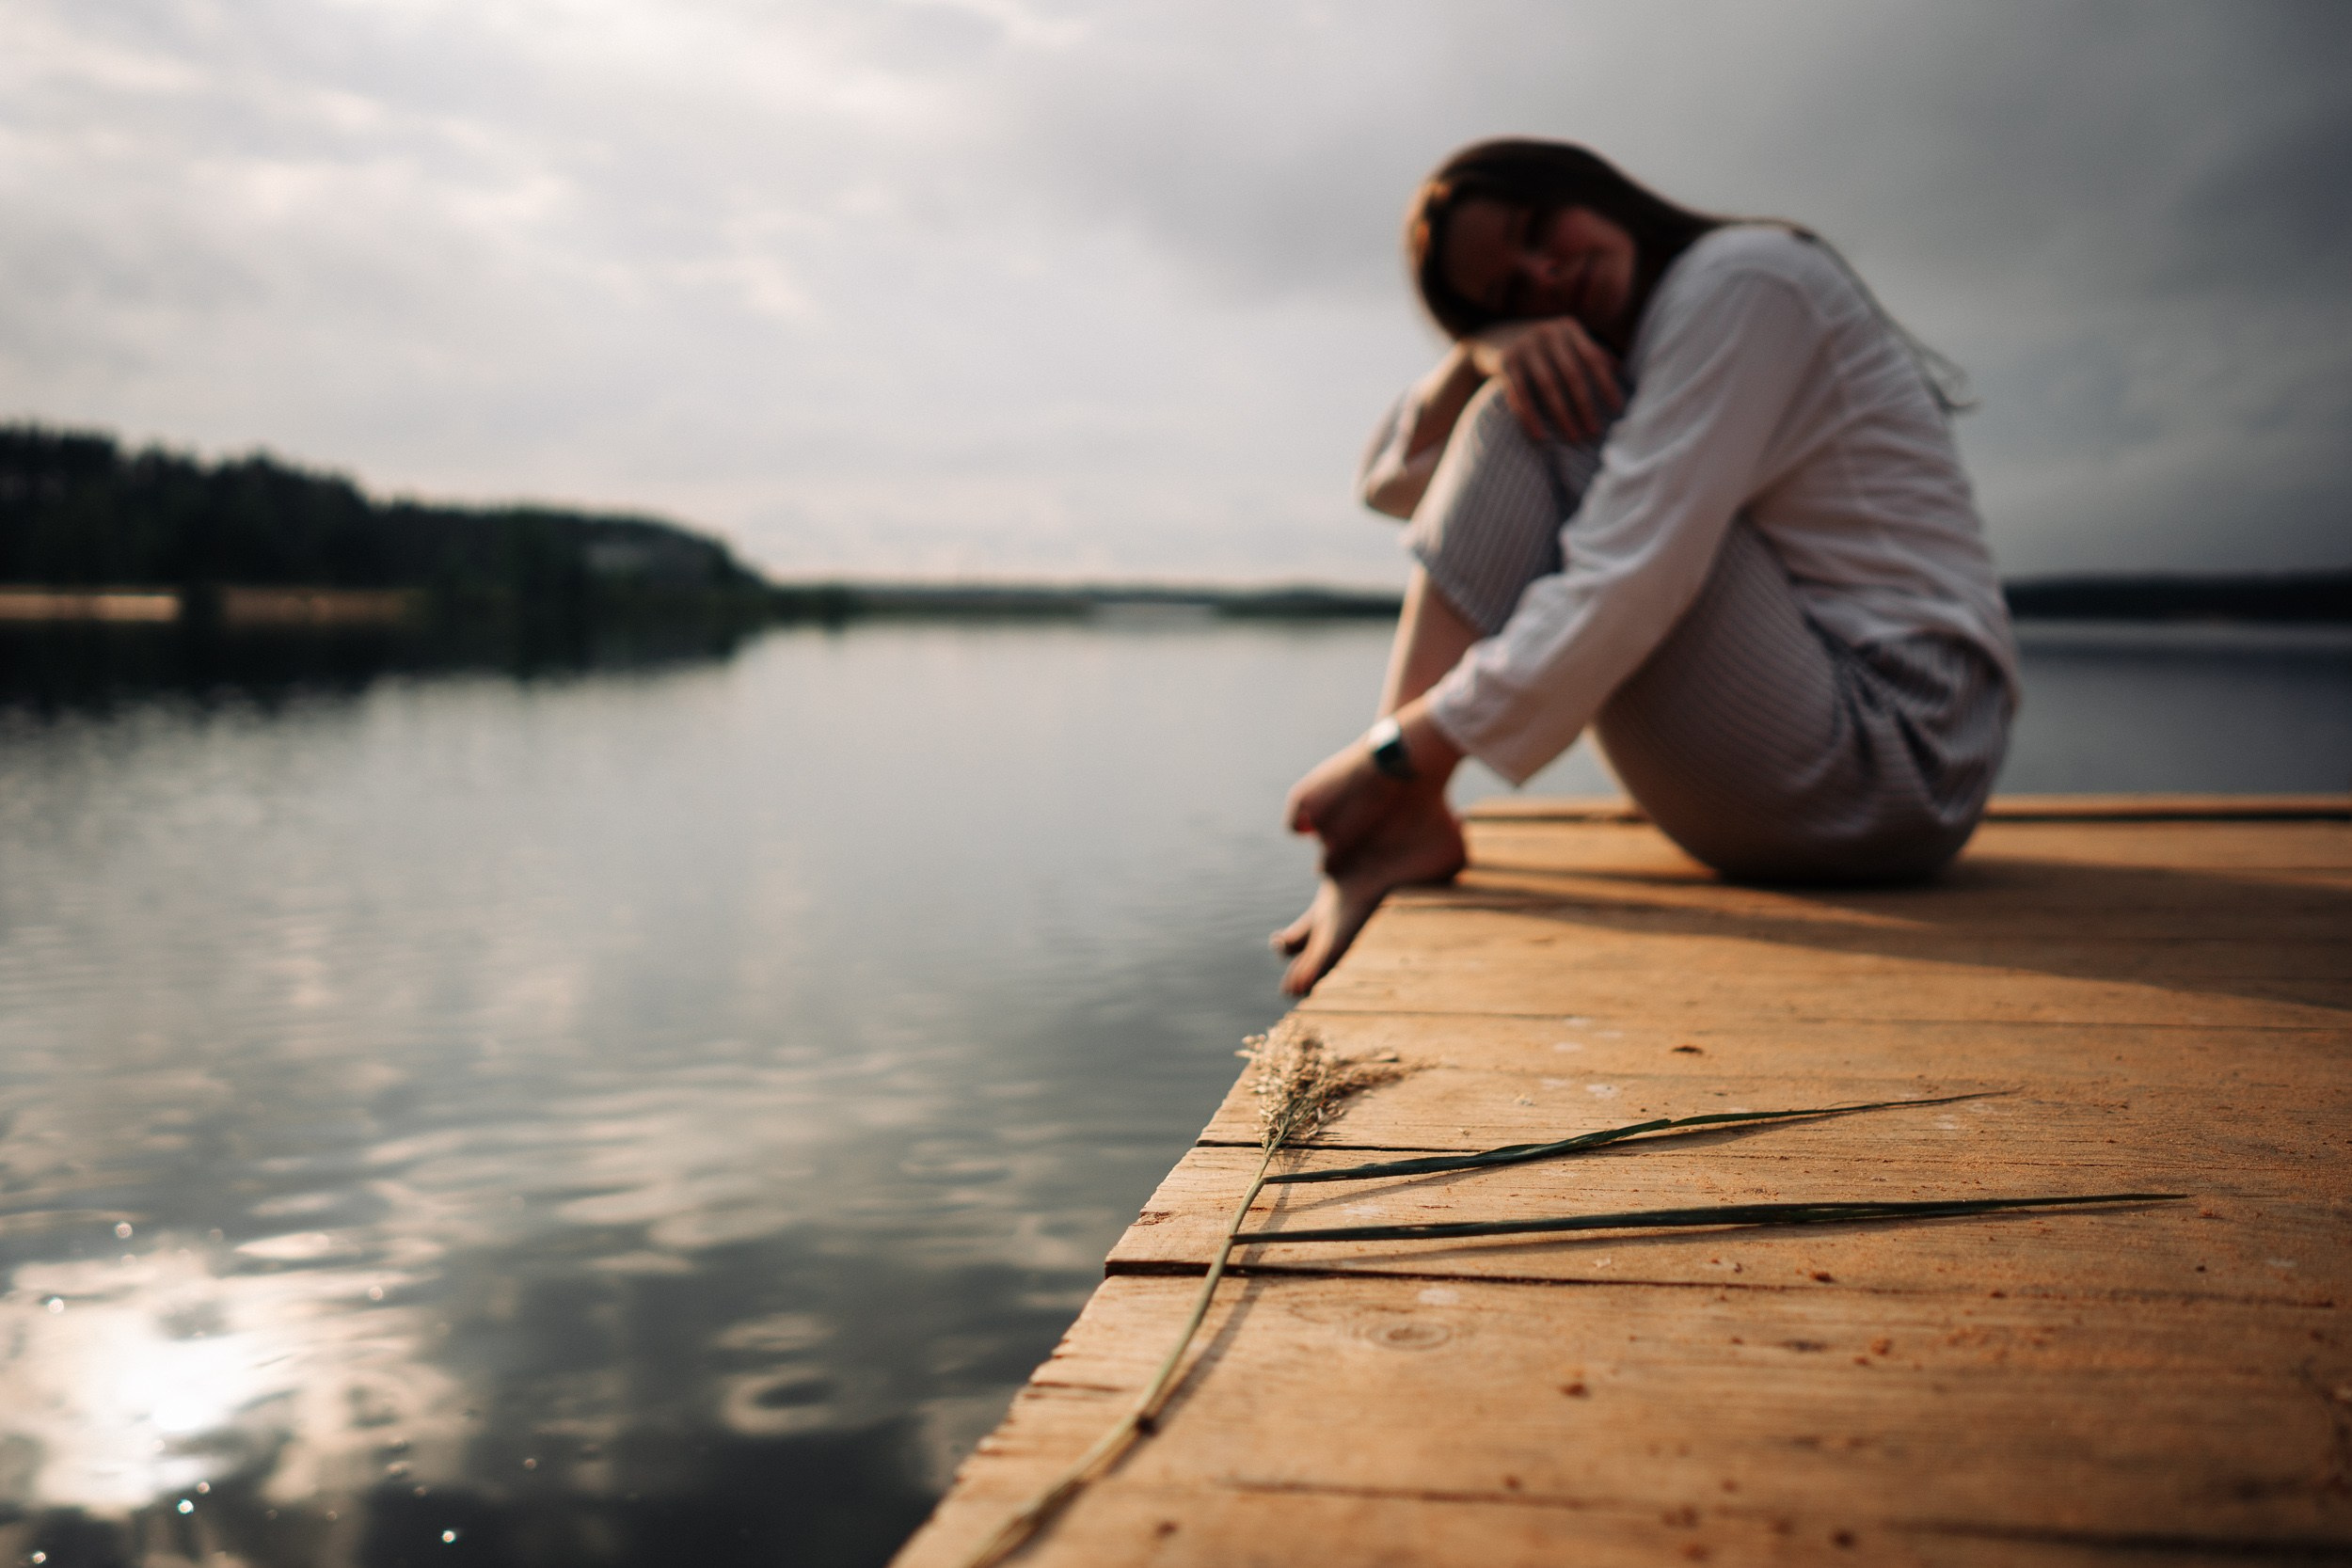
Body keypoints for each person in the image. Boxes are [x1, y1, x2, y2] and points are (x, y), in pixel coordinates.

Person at [1272, 138, 2019, 996]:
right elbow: (1398, 482)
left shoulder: (1744, 279)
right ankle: (1398, 819)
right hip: (1830, 777)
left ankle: (1396, 814)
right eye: (1511, 291)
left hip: (1895, 751)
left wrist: (1394, 753)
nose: (1545, 276)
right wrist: (1484, 351)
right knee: (1529, 407)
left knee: (1531, 421)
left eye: (1537, 228)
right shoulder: (1651, 341)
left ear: (1589, 186)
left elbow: (1632, 572)